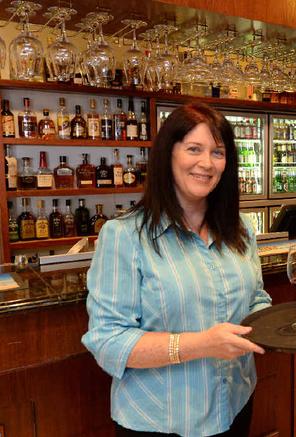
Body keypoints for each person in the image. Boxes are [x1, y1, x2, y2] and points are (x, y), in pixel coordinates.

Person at [82, 103, 271, 436]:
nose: (206, 163)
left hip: (236, 404)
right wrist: (200, 345)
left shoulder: (240, 230)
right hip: (161, 421)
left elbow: (255, 299)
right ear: (168, 154)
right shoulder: (124, 236)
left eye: (218, 152)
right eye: (194, 149)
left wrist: (278, 327)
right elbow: (108, 341)